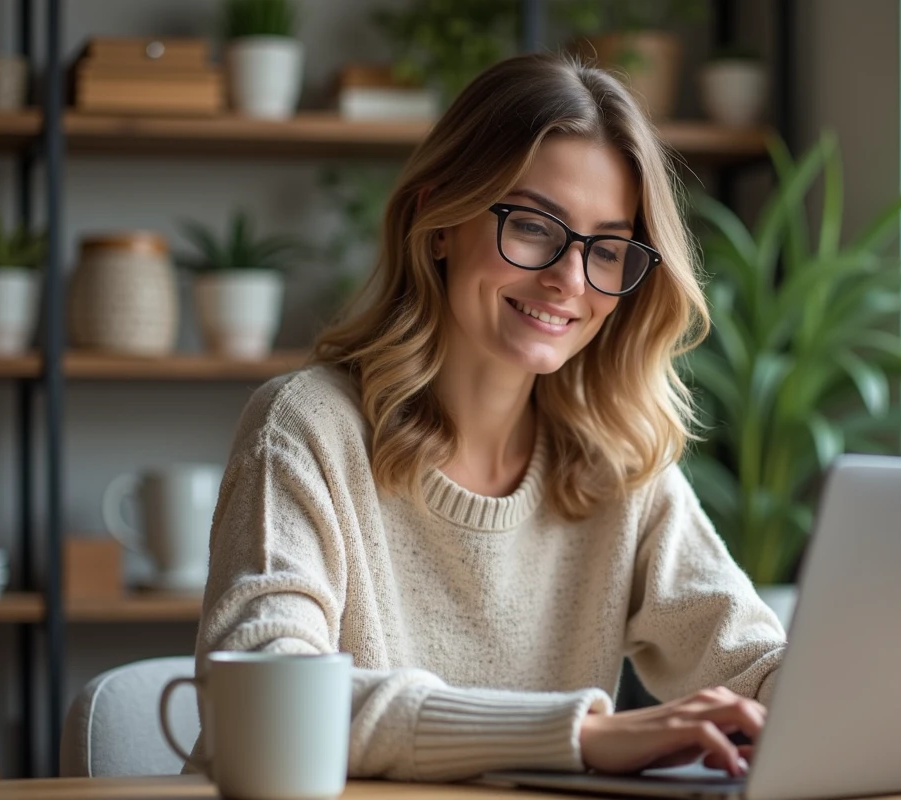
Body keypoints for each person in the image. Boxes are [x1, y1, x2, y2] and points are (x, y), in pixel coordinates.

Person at [194, 52, 786, 783]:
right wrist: (583, 735)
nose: (569, 280)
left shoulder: (614, 463)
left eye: (607, 247)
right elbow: (268, 700)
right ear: (438, 220)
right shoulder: (306, 426)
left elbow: (752, 660)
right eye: (536, 227)